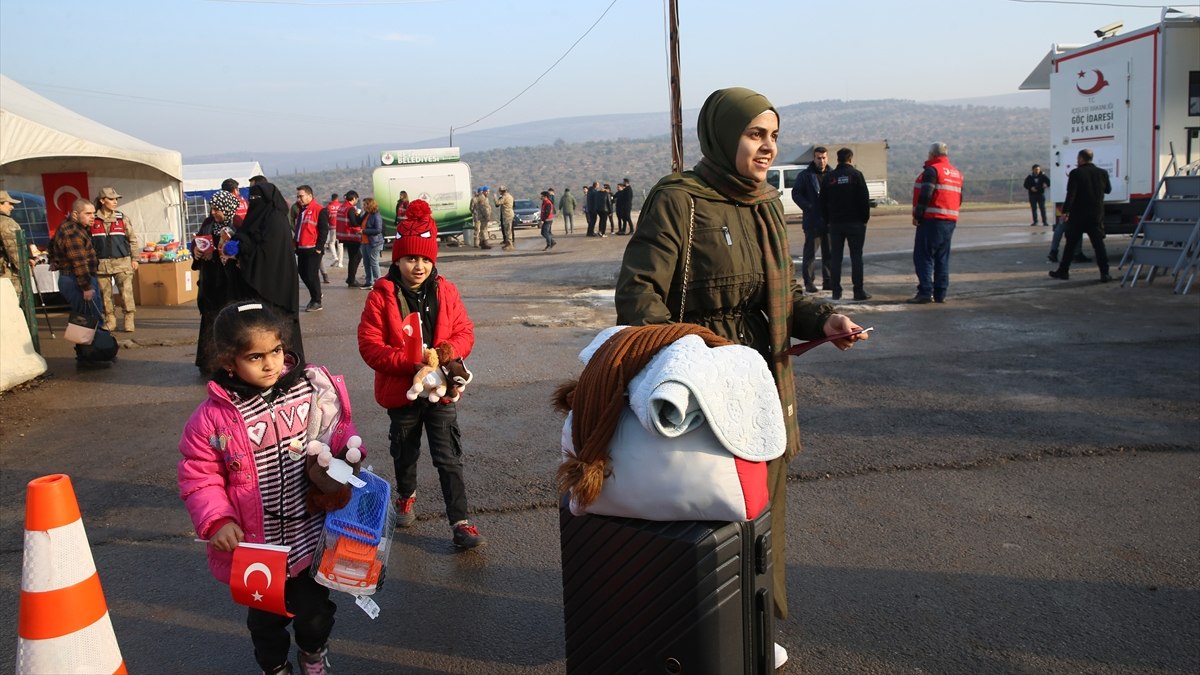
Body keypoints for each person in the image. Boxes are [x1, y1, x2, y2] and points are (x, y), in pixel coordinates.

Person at [615, 88, 868, 666]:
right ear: (724, 136)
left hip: (763, 389)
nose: (768, 146)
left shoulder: (767, 204)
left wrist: (827, 319)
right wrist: (688, 361)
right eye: (756, 134)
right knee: (706, 515)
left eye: (773, 136)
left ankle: (752, 632)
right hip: (703, 386)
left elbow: (788, 294)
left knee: (761, 513)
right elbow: (638, 295)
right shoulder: (681, 201)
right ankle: (698, 639)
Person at [178, 300, 364, 675]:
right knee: (265, 621)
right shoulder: (214, 417)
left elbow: (337, 434)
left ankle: (313, 653)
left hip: (310, 534)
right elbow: (200, 475)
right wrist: (217, 520)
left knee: (315, 612)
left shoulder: (310, 390)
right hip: (257, 547)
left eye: (277, 351)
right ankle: (274, 666)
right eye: (256, 356)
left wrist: (346, 457)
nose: (270, 364)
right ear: (230, 361)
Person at [357, 199, 486, 549]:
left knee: (448, 456)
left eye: (426, 259)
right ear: (396, 258)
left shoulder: (447, 290)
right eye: (411, 258)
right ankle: (406, 495)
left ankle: (461, 521)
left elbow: (465, 332)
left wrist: (445, 354)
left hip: (441, 390)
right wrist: (410, 364)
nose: (419, 266)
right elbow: (370, 346)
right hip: (404, 392)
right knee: (405, 451)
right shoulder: (381, 296)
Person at [230, 180, 305, 364]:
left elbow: (266, 255)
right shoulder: (260, 217)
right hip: (260, 287)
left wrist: (243, 251)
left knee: (277, 328)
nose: (254, 201)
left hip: (275, 288)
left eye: (258, 198)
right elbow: (248, 235)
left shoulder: (275, 220)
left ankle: (285, 364)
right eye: (252, 198)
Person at [192, 191, 243, 371]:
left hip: (230, 281)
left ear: (226, 209)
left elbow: (244, 248)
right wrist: (196, 251)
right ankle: (208, 362)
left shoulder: (237, 224)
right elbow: (198, 241)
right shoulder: (208, 224)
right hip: (210, 280)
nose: (213, 212)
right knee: (210, 318)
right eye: (212, 208)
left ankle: (231, 363)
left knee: (229, 319)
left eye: (217, 209)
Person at [908, 142, 963, 304]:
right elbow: (959, 198)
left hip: (932, 220)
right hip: (949, 221)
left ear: (931, 154)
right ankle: (940, 293)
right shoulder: (955, 173)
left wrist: (918, 215)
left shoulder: (933, 170)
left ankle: (925, 291)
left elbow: (926, 194)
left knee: (923, 256)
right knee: (942, 258)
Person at [1050, 148, 1113, 282]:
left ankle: (1063, 271)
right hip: (1096, 214)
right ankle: (1105, 273)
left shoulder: (1076, 173)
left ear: (1080, 159)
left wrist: (1065, 212)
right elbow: (1108, 190)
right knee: (1099, 245)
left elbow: (1071, 194)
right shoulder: (1102, 173)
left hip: (1078, 215)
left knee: (1070, 245)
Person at [820, 148, 872, 301]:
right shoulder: (856, 176)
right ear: (850, 159)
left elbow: (822, 202)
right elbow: (864, 200)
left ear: (838, 159)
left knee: (836, 258)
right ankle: (858, 291)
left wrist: (827, 220)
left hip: (835, 224)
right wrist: (864, 219)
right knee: (856, 257)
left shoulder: (829, 178)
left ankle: (836, 291)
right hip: (855, 223)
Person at [92, 187, 139, 332]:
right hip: (101, 264)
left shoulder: (122, 218)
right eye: (111, 199)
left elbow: (133, 240)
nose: (115, 202)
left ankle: (129, 319)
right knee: (104, 295)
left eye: (116, 199)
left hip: (122, 262)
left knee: (126, 293)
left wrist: (135, 258)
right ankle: (110, 320)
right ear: (102, 201)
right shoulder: (92, 219)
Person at [791, 146, 833, 293]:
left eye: (824, 158)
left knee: (829, 253)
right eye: (818, 158)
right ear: (814, 159)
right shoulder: (805, 175)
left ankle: (828, 281)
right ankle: (809, 282)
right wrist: (808, 207)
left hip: (829, 221)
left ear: (827, 158)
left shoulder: (832, 175)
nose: (821, 161)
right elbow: (796, 193)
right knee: (810, 254)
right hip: (812, 221)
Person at [293, 185, 329, 312]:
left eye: (301, 196)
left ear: (309, 196)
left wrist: (319, 248)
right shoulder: (301, 210)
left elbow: (324, 230)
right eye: (297, 196)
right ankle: (316, 294)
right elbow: (299, 230)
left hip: (313, 249)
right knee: (302, 273)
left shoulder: (319, 210)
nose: (299, 199)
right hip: (302, 248)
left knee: (311, 274)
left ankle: (316, 301)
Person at [0, 190, 26, 305]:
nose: (12, 207)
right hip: (6, 275)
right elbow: (15, 251)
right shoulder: (6, 223)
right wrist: (26, 271)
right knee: (10, 308)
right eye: (9, 203)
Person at [334, 191, 364, 287]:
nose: (357, 201)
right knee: (355, 257)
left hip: (344, 236)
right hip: (351, 236)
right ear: (354, 198)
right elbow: (354, 223)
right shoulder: (350, 208)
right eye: (357, 199)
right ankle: (351, 279)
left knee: (355, 257)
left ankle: (351, 278)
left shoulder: (341, 207)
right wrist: (359, 216)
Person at [359, 197, 385, 288]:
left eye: (365, 204)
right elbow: (359, 222)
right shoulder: (367, 214)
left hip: (374, 243)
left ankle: (378, 282)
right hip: (364, 242)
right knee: (366, 263)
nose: (363, 206)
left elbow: (378, 230)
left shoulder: (376, 215)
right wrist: (357, 215)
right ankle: (369, 282)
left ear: (370, 205)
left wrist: (364, 231)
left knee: (374, 262)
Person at [324, 192, 343, 268]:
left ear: (331, 198)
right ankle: (340, 263)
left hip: (332, 228)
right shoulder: (341, 206)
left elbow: (326, 217)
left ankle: (335, 257)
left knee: (331, 243)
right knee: (340, 244)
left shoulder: (328, 207)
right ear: (337, 198)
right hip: (340, 228)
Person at [495, 185, 516, 251]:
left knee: (508, 230)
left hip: (507, 214)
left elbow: (497, 203)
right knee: (507, 229)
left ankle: (510, 244)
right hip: (509, 214)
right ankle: (507, 243)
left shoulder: (505, 197)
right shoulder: (509, 196)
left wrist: (495, 197)